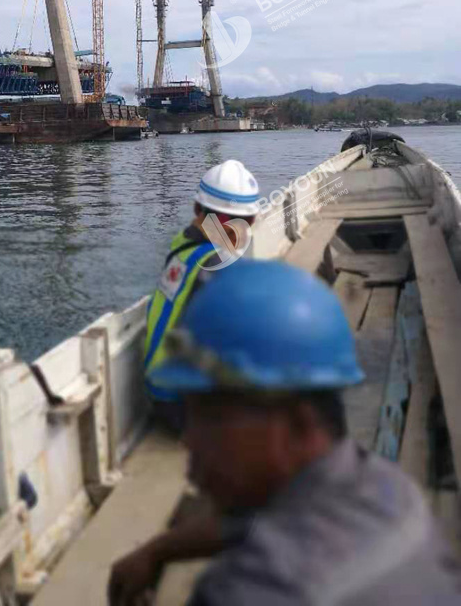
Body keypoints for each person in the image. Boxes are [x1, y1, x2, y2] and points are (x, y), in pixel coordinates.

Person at [111, 259, 461, 605]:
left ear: (299, 422)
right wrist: (157, 550)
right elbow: (247, 523)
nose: (189, 439)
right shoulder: (390, 490)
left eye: (211, 418)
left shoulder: (253, 591)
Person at [144, 160, 260, 423]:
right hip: (184, 407)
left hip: (159, 391)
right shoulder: (219, 267)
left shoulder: (183, 244)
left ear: (197, 209)